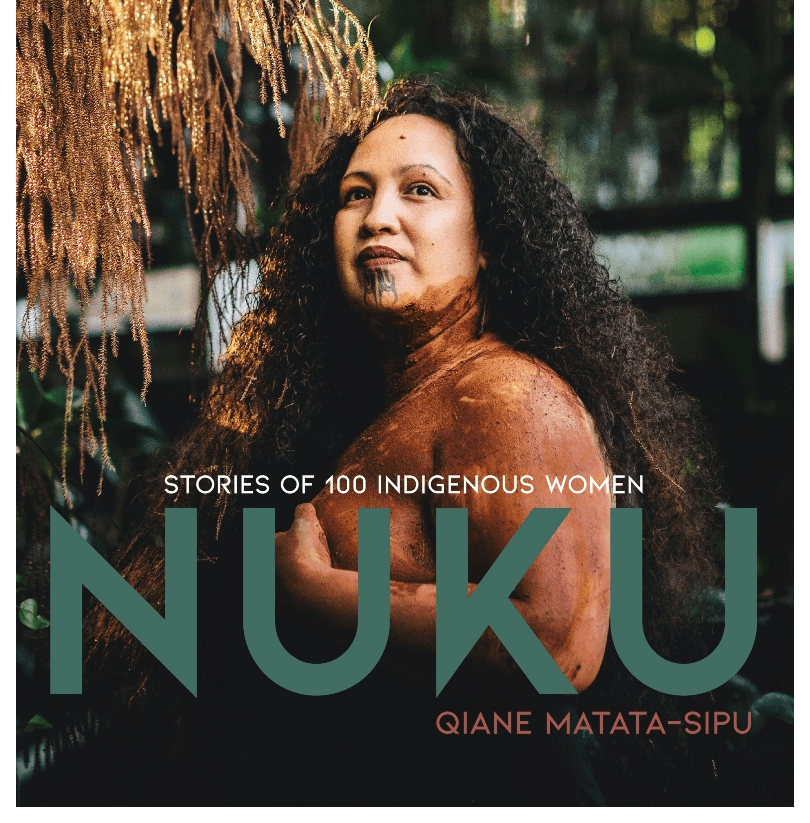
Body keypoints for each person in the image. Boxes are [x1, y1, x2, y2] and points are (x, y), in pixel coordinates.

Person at [37, 80, 719, 807]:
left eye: (419, 191)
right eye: (355, 195)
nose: (376, 217)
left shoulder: (500, 395)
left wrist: (317, 590)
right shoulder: (403, 400)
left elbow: (556, 643)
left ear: (488, 239)